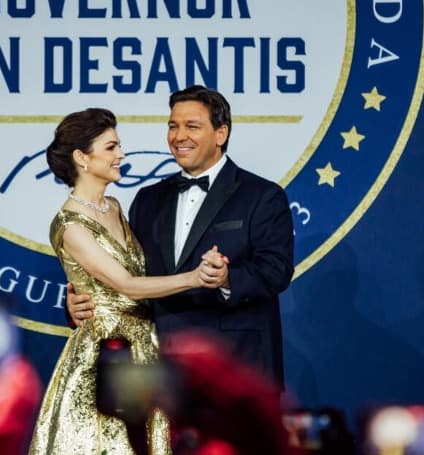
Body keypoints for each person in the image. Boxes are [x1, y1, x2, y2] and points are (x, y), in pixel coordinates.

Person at [67, 85, 295, 392]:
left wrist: (227, 279)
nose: (179, 136)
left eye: (192, 126)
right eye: (173, 126)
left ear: (221, 134)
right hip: (161, 371)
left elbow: (276, 271)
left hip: (238, 369)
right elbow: (128, 272)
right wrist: (77, 301)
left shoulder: (262, 196)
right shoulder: (148, 199)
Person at [27, 107, 226, 455]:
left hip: (145, 350)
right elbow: (128, 284)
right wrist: (194, 277)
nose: (121, 154)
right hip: (106, 357)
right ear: (81, 158)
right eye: (111, 147)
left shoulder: (116, 206)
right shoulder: (71, 225)